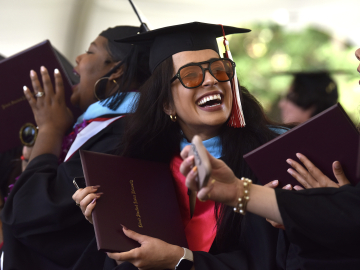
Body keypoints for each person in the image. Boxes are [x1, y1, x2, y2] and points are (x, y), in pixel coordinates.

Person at [74, 22, 296, 270]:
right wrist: (109, 222)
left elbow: (268, 261)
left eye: (220, 70)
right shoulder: (145, 163)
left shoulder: (269, 161)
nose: (211, 80)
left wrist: (181, 261)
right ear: (167, 104)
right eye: (191, 75)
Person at [181, 45, 360, 270]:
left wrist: (332, 208)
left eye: (219, 71)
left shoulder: (271, 145)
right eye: (190, 75)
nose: (357, 52)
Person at [1, 25, 150, 270]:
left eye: (90, 51)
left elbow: (25, 212)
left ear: (117, 69)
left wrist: (49, 129)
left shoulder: (122, 137)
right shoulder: (99, 126)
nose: (78, 59)